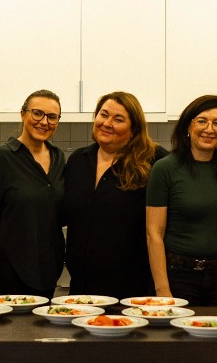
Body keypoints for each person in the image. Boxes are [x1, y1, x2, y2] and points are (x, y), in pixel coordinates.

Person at [64, 92, 167, 301]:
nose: (107, 123)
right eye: (103, 115)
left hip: (133, 289)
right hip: (82, 287)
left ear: (134, 129)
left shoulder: (154, 161)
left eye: (118, 119)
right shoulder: (78, 160)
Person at [146, 95, 217, 306]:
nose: (209, 129)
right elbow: (154, 234)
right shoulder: (165, 169)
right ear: (188, 126)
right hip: (178, 277)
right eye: (202, 121)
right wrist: (162, 289)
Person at [0, 90, 65, 300]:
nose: (44, 122)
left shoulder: (58, 157)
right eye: (37, 113)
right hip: (9, 272)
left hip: (48, 271)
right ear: (23, 114)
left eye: (52, 117)